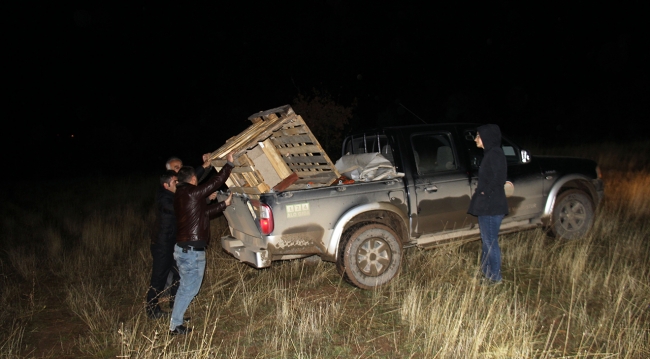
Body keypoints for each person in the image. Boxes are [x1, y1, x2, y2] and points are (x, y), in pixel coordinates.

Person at [169, 151, 234, 335]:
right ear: (192, 179)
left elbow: (202, 214)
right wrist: (228, 165)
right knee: (189, 289)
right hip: (190, 251)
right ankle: (175, 325)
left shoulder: (181, 195)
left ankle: (176, 320)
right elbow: (214, 183)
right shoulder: (190, 192)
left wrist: (224, 205)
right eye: (196, 178)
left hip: (185, 249)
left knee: (187, 287)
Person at [467, 124, 509, 286]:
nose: (476, 139)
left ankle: (495, 277)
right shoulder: (490, 154)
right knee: (486, 240)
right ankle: (486, 273)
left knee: (490, 241)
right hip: (487, 205)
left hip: (492, 206)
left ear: (487, 137)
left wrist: (485, 192)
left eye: (478, 136)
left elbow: (499, 178)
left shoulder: (495, 154)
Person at [146, 170, 181, 319]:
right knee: (158, 278)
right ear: (166, 185)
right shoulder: (164, 199)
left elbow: (190, 182)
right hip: (162, 246)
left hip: (170, 244)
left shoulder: (171, 195)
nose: (178, 184)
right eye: (175, 182)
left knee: (180, 273)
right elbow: (178, 208)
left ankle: (175, 304)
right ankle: (152, 310)